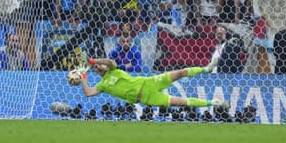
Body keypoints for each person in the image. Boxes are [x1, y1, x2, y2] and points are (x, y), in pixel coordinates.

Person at [79, 58, 229, 108]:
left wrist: (94, 61)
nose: (98, 67)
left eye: (99, 65)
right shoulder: (103, 85)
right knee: (181, 102)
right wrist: (83, 76)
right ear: (96, 72)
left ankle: (206, 69)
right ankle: (214, 103)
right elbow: (88, 93)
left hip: (148, 83)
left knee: (180, 73)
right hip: (146, 98)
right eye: (96, 68)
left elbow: (110, 61)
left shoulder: (112, 69)